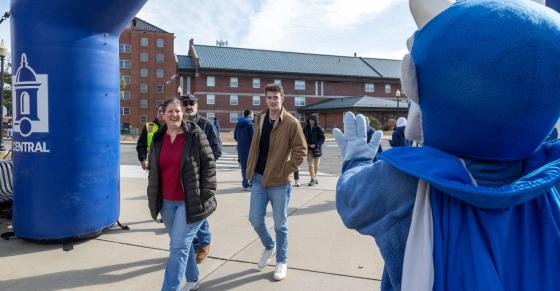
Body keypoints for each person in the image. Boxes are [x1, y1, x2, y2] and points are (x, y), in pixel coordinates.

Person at [147, 97, 216, 291]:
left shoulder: (194, 134)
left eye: (177, 111)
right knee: (181, 246)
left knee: (177, 248)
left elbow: (209, 164)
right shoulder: (159, 137)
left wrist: (205, 193)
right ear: (163, 113)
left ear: (182, 113)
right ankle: (193, 280)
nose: (174, 114)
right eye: (170, 111)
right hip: (167, 203)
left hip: (190, 201)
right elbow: (154, 169)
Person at [246, 84, 306, 281]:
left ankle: (282, 261)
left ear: (282, 99)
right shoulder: (260, 118)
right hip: (258, 178)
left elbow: (301, 151)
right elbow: (256, 147)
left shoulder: (291, 122)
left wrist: (285, 170)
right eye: (269, 97)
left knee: (280, 224)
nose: (272, 100)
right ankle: (269, 246)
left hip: (280, 182)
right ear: (266, 99)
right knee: (255, 218)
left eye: (276, 97)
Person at [180, 94, 222, 264]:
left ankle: (204, 243)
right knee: (186, 212)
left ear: (197, 105)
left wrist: (200, 163)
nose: (189, 106)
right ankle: (195, 242)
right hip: (181, 177)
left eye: (192, 103)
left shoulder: (206, 124)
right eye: (185, 103)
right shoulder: (177, 125)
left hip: (201, 177)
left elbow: (217, 151)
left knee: (199, 211)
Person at [137, 105, 164, 170]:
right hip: (153, 162)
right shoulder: (149, 126)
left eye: (164, 111)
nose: (161, 113)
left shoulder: (173, 127)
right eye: (159, 111)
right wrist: (143, 159)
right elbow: (141, 145)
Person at [234, 109, 254, 191]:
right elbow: (253, 138)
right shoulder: (250, 124)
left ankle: (245, 184)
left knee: (244, 167)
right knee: (252, 166)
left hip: (241, 148)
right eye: (252, 114)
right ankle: (251, 184)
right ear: (249, 114)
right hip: (250, 148)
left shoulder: (238, 123)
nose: (253, 115)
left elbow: (235, 136)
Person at [303, 114, 325, 186]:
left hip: (317, 149)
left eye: (312, 120)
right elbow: (302, 137)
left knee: (316, 165)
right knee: (310, 165)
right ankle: (312, 178)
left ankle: (315, 177)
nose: (310, 121)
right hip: (308, 149)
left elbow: (322, 139)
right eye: (309, 119)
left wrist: (316, 145)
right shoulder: (306, 128)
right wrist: (306, 144)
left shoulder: (319, 128)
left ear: (315, 121)